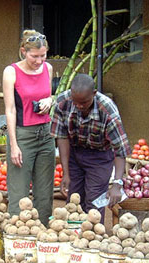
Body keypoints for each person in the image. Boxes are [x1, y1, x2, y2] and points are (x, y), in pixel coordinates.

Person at [51, 74, 131, 222]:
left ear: (94, 94)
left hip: (100, 156)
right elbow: (62, 138)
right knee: (74, 201)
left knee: (94, 202)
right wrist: (66, 173)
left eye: (84, 102)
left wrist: (117, 183)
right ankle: (73, 239)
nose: (80, 106)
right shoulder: (63, 102)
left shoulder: (107, 110)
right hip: (74, 153)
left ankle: (94, 238)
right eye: (77, 103)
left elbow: (120, 149)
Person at [2, 29, 55, 226]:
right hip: (23, 134)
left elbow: (47, 94)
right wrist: (13, 145)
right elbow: (10, 110)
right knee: (19, 189)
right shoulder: (11, 71)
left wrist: (49, 101)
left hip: (45, 133)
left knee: (45, 190)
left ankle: (43, 231)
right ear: (23, 51)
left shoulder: (47, 69)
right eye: (34, 56)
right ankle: (17, 233)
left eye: (43, 56)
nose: (39, 61)